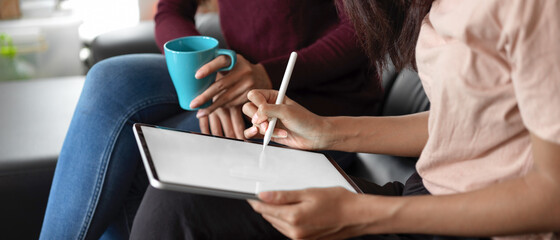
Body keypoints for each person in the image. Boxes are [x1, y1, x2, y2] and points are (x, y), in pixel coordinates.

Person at [128, 0, 560, 239]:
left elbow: (551, 198)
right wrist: (324, 131)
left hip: (468, 223)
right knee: (179, 202)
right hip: (420, 197)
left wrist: (363, 214)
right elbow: (464, 125)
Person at [39, 0, 382, 239]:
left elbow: (366, 26)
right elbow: (171, 9)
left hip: (310, 96)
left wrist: (263, 76)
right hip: (234, 73)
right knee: (109, 80)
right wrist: (214, 79)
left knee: (144, 148)